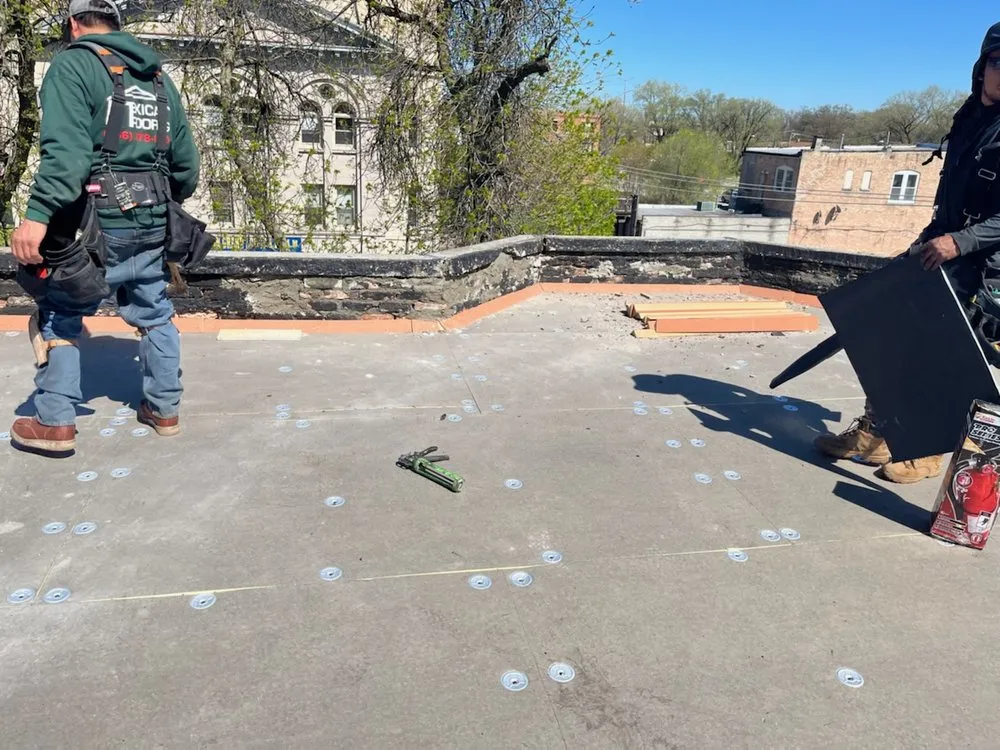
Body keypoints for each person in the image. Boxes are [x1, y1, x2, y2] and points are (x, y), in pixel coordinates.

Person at [9, 0, 200, 457]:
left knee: (59, 314)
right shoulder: (158, 77)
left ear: (74, 24)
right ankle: (164, 409)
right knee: (154, 314)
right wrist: (156, 200)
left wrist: (36, 216)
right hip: (154, 221)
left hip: (92, 228)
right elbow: (186, 166)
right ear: (116, 24)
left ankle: (55, 422)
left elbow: (68, 156)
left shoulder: (73, 65)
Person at [815, 21, 1000, 484]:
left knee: (946, 356)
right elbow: (953, 192)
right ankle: (876, 435)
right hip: (941, 249)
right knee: (885, 332)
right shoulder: (968, 116)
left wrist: (960, 242)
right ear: (983, 67)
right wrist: (929, 237)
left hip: (984, 268)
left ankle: (933, 447)